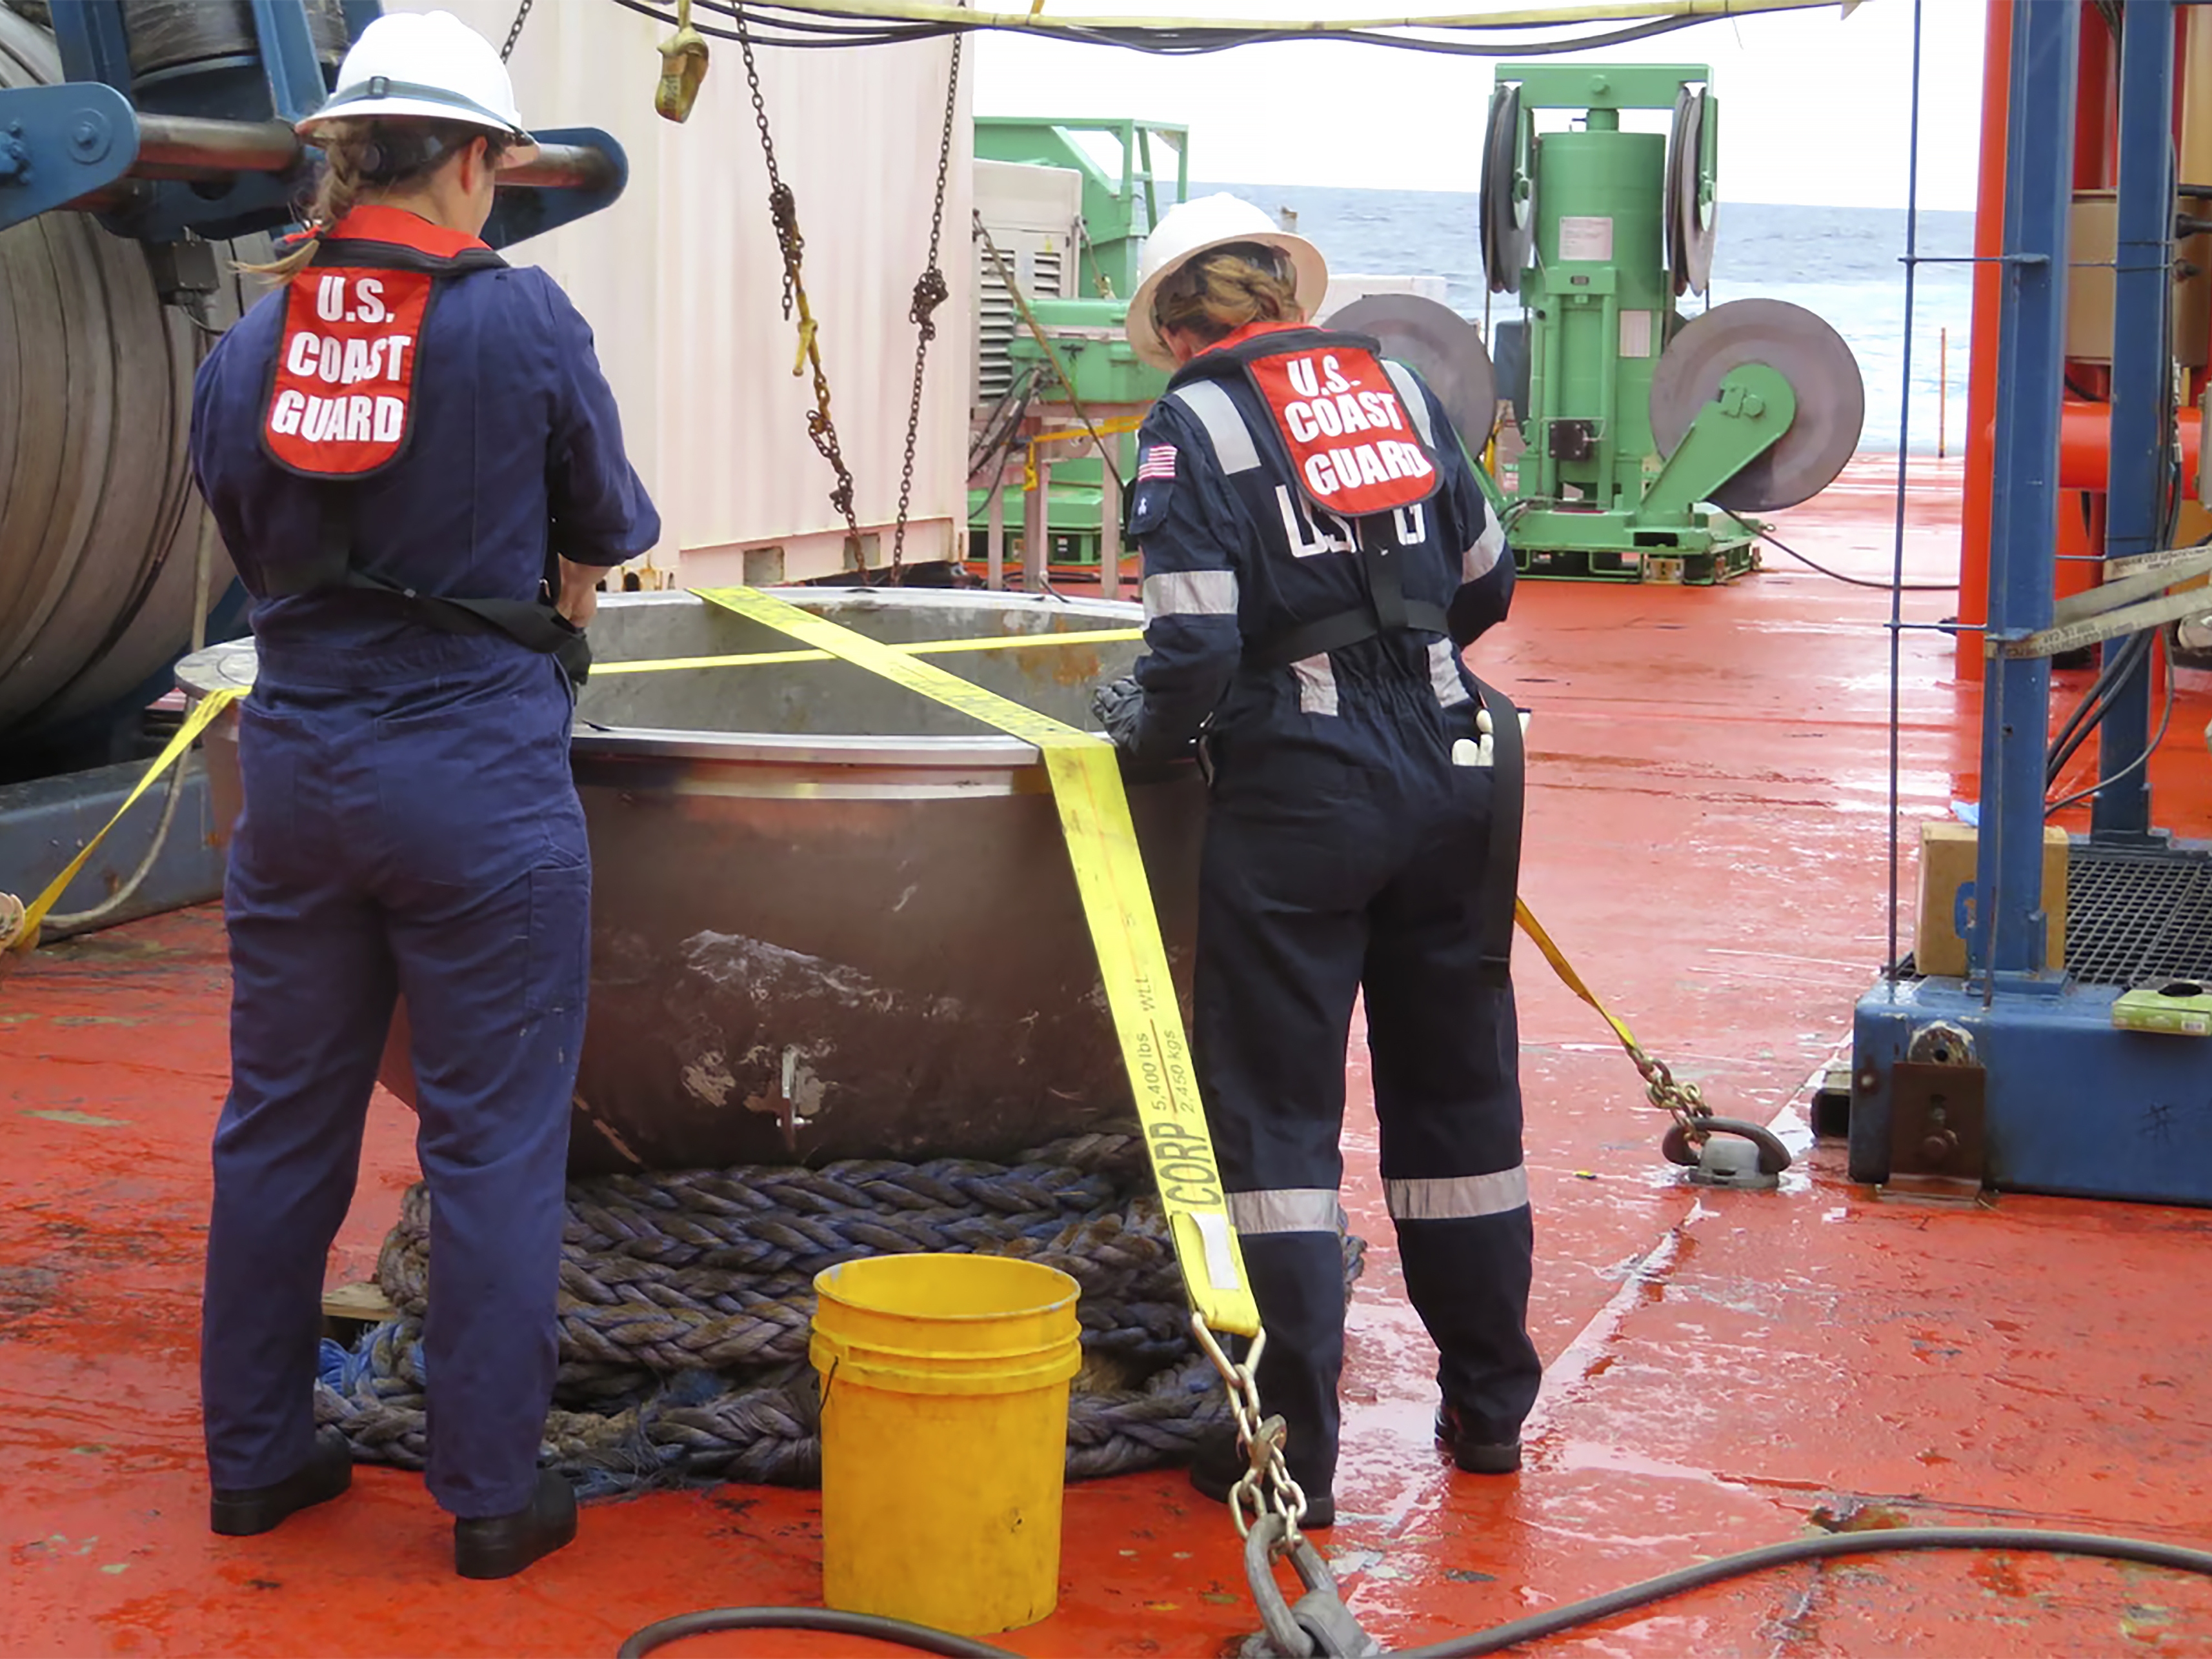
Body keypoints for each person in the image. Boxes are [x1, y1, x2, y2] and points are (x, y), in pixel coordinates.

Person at [186, 10, 658, 1578]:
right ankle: (486, 1494)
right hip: (477, 782)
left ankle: (255, 1463)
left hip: (301, 771)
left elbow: (252, 533)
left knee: (277, 1128)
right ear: (474, 157)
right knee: (490, 1147)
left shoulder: (250, 343)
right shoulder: (519, 323)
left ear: (340, 152)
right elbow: (606, 520)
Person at [1092, 194, 1540, 1529]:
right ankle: (1492, 1416)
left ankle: (1292, 1464)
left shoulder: (1195, 420)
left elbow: (1189, 644)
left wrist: (1137, 749)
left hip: (1301, 795)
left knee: (1278, 1129)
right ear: (1286, 293)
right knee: (1464, 1112)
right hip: (1460, 777)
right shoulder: (1396, 386)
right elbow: (1487, 581)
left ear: (1180, 327)